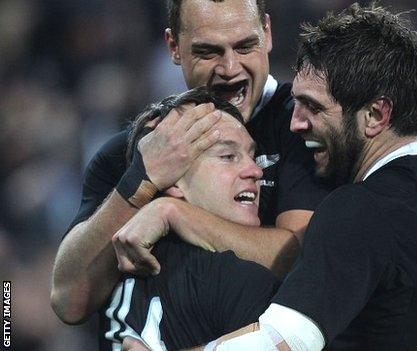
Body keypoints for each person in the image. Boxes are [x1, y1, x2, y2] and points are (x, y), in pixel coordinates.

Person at [185, 3, 417, 350]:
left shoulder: (363, 209)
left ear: (375, 114)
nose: (295, 123)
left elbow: (279, 344)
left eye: (313, 107)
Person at [103, 88, 417, 351]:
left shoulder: (125, 284)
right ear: (173, 184)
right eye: (227, 157)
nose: (254, 170)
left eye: (252, 155)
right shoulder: (238, 282)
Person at [51, 0, 329, 326]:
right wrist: (138, 181)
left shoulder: (304, 129)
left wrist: (172, 214)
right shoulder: (128, 151)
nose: (229, 68)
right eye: (208, 52)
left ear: (266, 33)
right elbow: (69, 300)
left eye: (244, 46)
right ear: (174, 47)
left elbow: (304, 261)